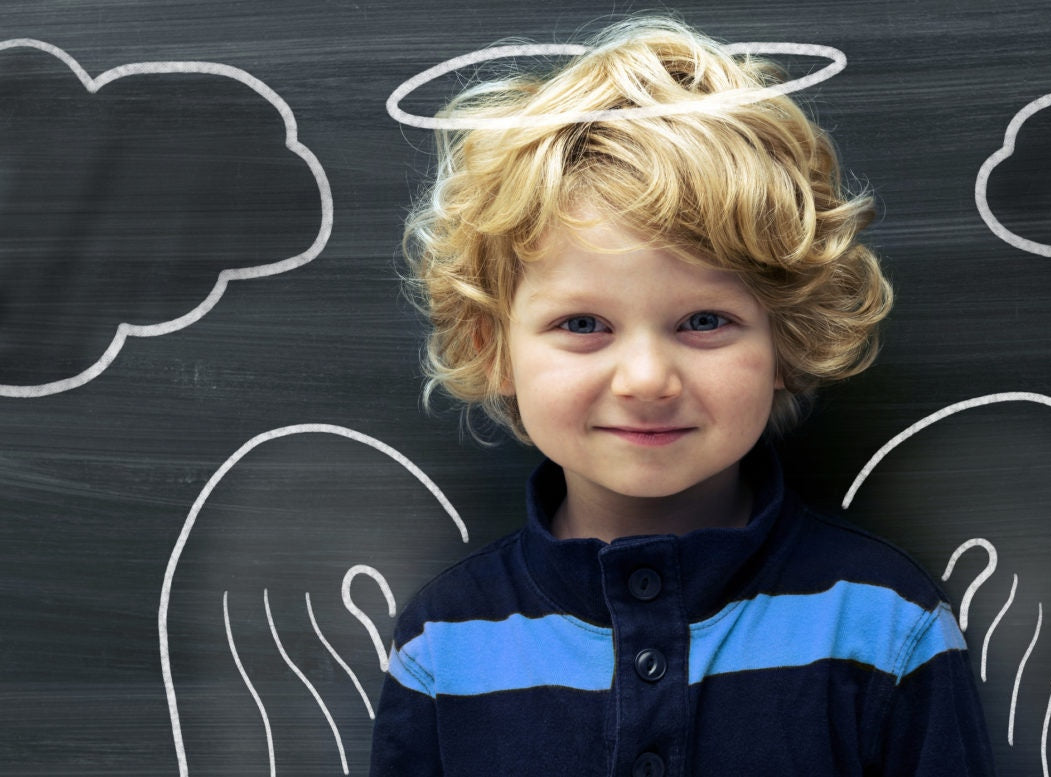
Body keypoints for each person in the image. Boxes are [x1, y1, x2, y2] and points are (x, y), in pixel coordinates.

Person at [371, 14, 993, 777]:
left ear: (786, 342)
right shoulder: (445, 646)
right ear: (490, 348)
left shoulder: (885, 627)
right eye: (583, 323)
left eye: (704, 321)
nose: (646, 379)